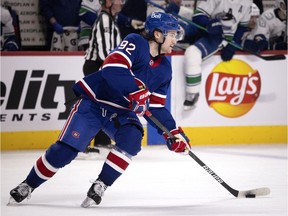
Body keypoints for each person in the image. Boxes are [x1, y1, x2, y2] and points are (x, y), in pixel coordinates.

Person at [9, 11, 191, 207]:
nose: (175, 40)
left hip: (121, 112)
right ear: (158, 34)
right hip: (95, 102)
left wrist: (172, 133)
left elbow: (156, 107)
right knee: (64, 152)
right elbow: (111, 67)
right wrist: (136, 90)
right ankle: (28, 184)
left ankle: (100, 184)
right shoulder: (136, 42)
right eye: (172, 34)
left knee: (131, 140)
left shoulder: (165, 69)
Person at [182, 0, 253, 111]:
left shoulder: (247, 2)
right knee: (180, 28)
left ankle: (192, 94)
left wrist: (233, 43)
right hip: (207, 29)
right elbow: (198, 15)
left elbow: (242, 26)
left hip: (222, 37)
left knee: (192, 53)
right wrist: (210, 23)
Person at [81, 0, 125, 154]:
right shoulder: (104, 19)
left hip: (103, 67)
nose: (121, 2)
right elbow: (104, 52)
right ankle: (80, 142)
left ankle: (102, 140)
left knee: (104, 105)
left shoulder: (111, 20)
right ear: (108, 2)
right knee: (95, 106)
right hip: (97, 66)